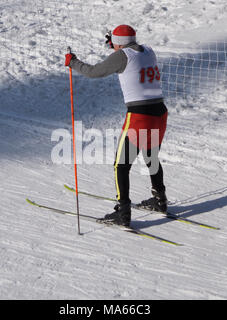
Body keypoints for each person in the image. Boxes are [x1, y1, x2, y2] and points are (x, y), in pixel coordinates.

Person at [65, 25, 168, 227]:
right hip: (159, 113)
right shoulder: (147, 50)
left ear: (117, 43)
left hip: (140, 116)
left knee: (121, 165)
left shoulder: (122, 55)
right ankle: (160, 200)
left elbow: (95, 72)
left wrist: (73, 63)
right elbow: (128, 52)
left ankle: (123, 213)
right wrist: (116, 45)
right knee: (150, 157)